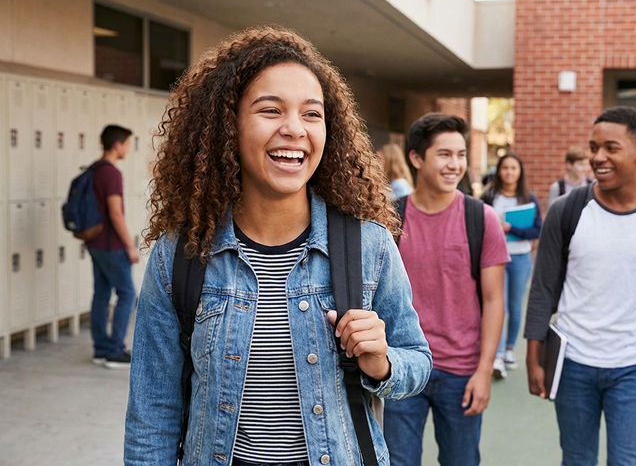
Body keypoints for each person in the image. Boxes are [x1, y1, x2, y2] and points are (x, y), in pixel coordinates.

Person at [123, 26, 432, 466]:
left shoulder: (368, 244)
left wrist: (381, 363)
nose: (294, 129)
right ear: (228, 124)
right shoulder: (181, 255)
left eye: (312, 114)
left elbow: (417, 361)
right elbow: (152, 415)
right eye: (270, 110)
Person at [524, 106, 636, 466]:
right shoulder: (567, 211)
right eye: (594, 147)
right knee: (577, 459)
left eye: (611, 148)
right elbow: (543, 288)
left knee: (629, 462)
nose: (598, 157)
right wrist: (534, 356)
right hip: (573, 362)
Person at [383, 113, 510, 466]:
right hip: (401, 366)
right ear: (416, 158)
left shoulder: (481, 218)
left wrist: (485, 370)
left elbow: (494, 299)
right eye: (444, 154)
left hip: (461, 370)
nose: (455, 165)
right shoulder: (388, 219)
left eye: (461, 154)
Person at [481, 153, 542, 379]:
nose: (508, 172)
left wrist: (511, 228)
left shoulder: (528, 198)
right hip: (495, 259)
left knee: (515, 306)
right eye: (505, 168)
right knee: (499, 306)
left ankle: (509, 350)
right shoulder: (489, 197)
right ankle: (496, 355)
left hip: (521, 258)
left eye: (513, 168)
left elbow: (536, 230)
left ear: (520, 172)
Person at [87, 124, 139, 369]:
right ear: (117, 145)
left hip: (95, 243)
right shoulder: (111, 174)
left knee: (101, 294)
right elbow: (116, 214)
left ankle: (100, 349)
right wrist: (130, 246)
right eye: (127, 143)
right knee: (128, 293)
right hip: (111, 245)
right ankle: (115, 351)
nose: (128, 148)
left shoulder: (95, 169)